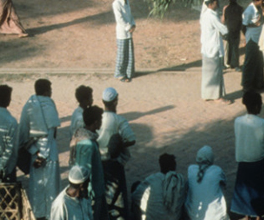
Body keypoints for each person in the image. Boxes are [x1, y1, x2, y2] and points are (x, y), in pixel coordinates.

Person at [19, 79, 61, 220]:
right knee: (51, 187)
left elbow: (23, 135)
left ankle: (37, 215)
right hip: (50, 154)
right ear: (45, 91)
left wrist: (37, 153)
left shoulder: (28, 106)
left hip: (35, 153)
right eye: (50, 89)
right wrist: (44, 155)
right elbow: (51, 134)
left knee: (37, 188)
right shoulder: (50, 104)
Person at [231, 91, 264, 220]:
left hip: (243, 160)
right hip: (258, 161)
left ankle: (247, 215)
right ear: (257, 106)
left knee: (245, 189)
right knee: (259, 188)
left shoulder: (238, 121)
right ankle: (258, 215)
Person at [96, 87, 135, 220]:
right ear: (115, 101)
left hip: (98, 162)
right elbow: (131, 139)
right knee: (117, 194)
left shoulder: (97, 118)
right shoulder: (119, 120)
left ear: (102, 101)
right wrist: (119, 146)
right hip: (114, 163)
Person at [69, 105, 107, 220]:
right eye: (100, 120)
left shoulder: (80, 135)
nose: (101, 122)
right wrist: (88, 193)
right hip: (93, 191)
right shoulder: (88, 144)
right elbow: (85, 170)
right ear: (95, 122)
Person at [131, 153, 187, 220]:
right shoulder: (180, 180)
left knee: (136, 186)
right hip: (174, 218)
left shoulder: (152, 179)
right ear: (174, 167)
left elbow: (135, 196)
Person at [200, 0, 230, 104]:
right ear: (211, 4)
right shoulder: (212, 16)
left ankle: (207, 94)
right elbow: (224, 29)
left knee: (208, 73)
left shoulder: (205, 15)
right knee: (216, 73)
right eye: (215, 2)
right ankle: (217, 97)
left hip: (206, 47)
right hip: (213, 47)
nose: (217, 3)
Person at [184, 145, 228, 220]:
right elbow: (224, 184)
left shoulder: (191, 169)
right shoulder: (217, 170)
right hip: (216, 216)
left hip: (193, 215)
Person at [112, 0, 136, 82]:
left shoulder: (127, 1)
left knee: (129, 52)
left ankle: (129, 72)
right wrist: (128, 27)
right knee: (121, 54)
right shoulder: (116, 3)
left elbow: (129, 15)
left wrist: (133, 24)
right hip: (122, 32)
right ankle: (120, 74)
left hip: (129, 31)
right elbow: (119, 19)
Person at [241, 0, 264, 92]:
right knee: (249, 61)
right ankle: (246, 84)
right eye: (261, 1)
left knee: (259, 61)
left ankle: (258, 83)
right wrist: (254, 26)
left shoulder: (259, 9)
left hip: (259, 38)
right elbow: (244, 25)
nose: (262, 2)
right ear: (256, 1)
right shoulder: (249, 10)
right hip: (251, 38)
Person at [222, 0, 244, 70]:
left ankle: (227, 63)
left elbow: (223, 20)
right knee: (235, 48)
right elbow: (242, 21)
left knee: (228, 48)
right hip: (236, 30)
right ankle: (236, 65)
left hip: (228, 30)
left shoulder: (226, 8)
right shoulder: (240, 8)